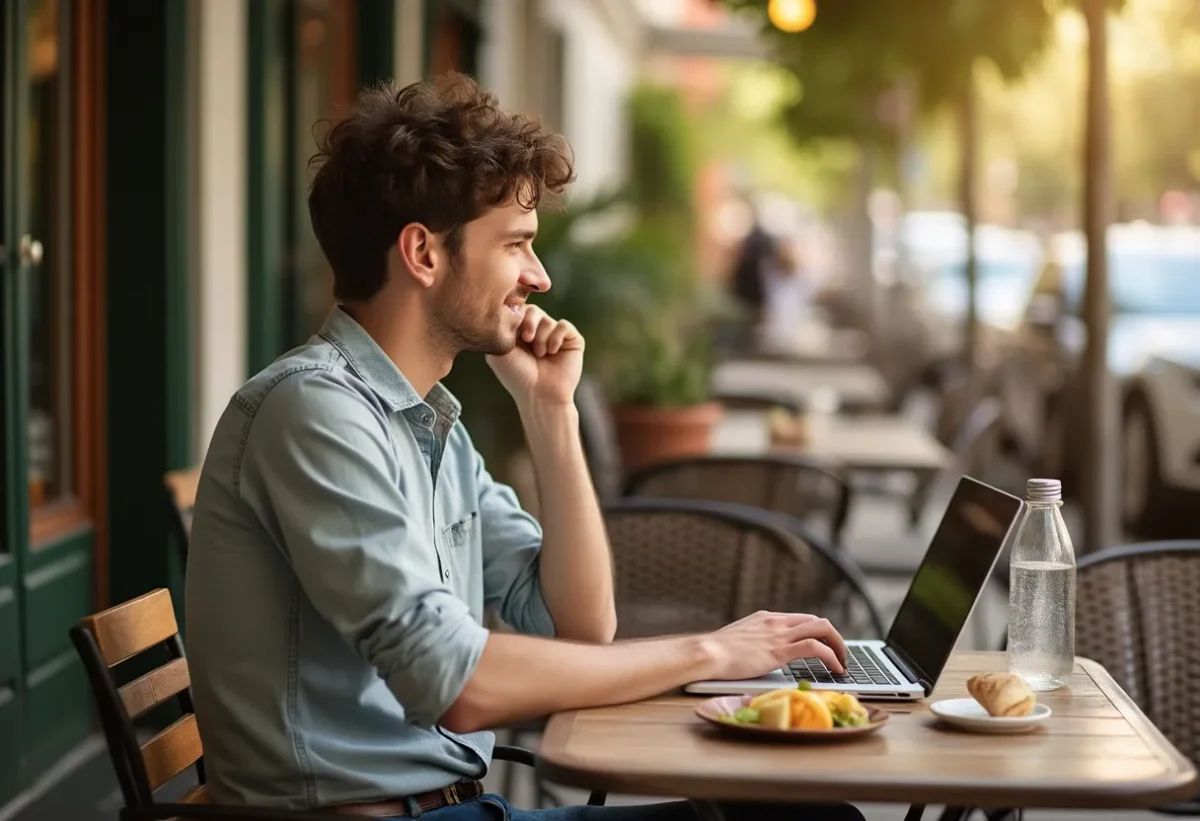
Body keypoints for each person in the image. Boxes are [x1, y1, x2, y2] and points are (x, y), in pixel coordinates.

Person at [185, 73, 861, 821]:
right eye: (516, 245)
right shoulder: (313, 412)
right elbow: (460, 685)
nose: (537, 277)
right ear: (423, 254)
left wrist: (552, 414)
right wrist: (711, 652)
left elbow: (580, 625)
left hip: (451, 805)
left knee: (796, 810)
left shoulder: (425, 423)